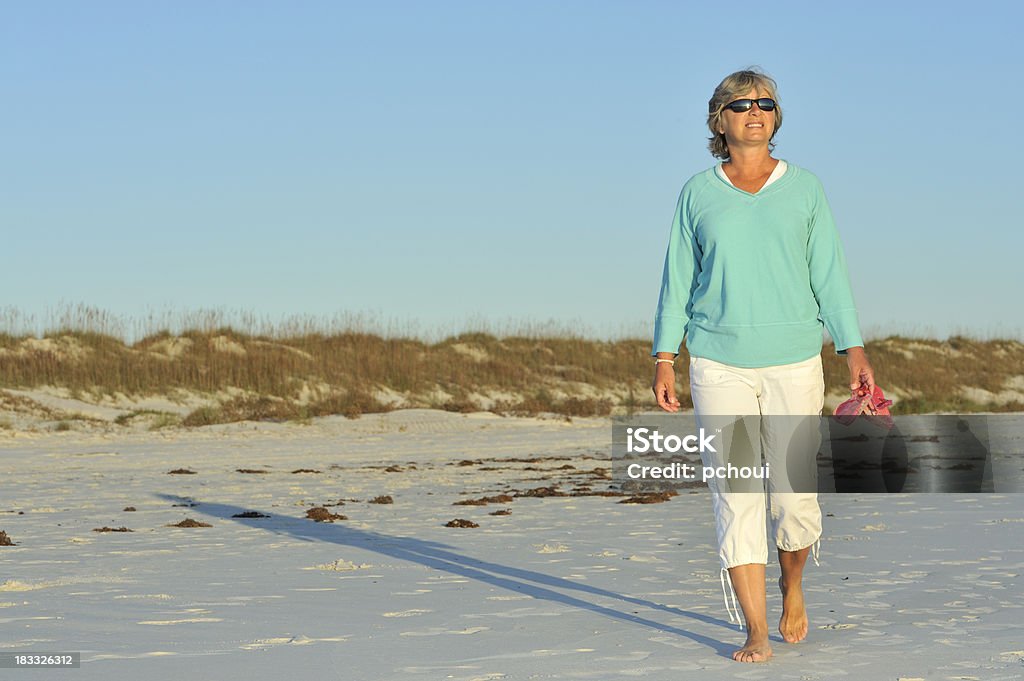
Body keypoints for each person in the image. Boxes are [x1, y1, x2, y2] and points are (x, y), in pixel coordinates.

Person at [650, 68, 876, 663]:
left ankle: (792, 582)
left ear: (776, 117)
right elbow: (677, 280)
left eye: (766, 103)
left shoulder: (805, 189)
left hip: (795, 360)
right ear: (718, 119)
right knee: (738, 493)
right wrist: (664, 356)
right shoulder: (697, 194)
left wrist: (852, 348)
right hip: (718, 363)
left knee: (795, 497)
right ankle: (753, 628)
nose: (755, 110)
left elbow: (830, 273)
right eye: (741, 103)